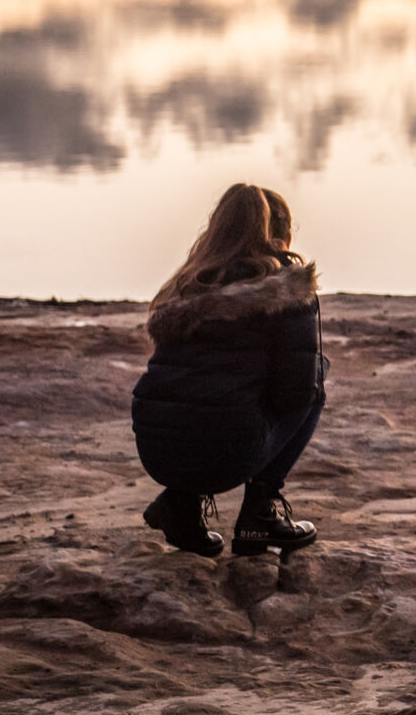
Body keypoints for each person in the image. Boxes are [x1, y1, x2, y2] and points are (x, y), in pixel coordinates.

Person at [132, 183, 328, 558]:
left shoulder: (186, 284)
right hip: (225, 453)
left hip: (156, 449)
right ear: (281, 238)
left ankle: (182, 508)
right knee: (314, 377)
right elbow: (296, 394)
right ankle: (260, 513)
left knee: (204, 389)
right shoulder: (286, 289)